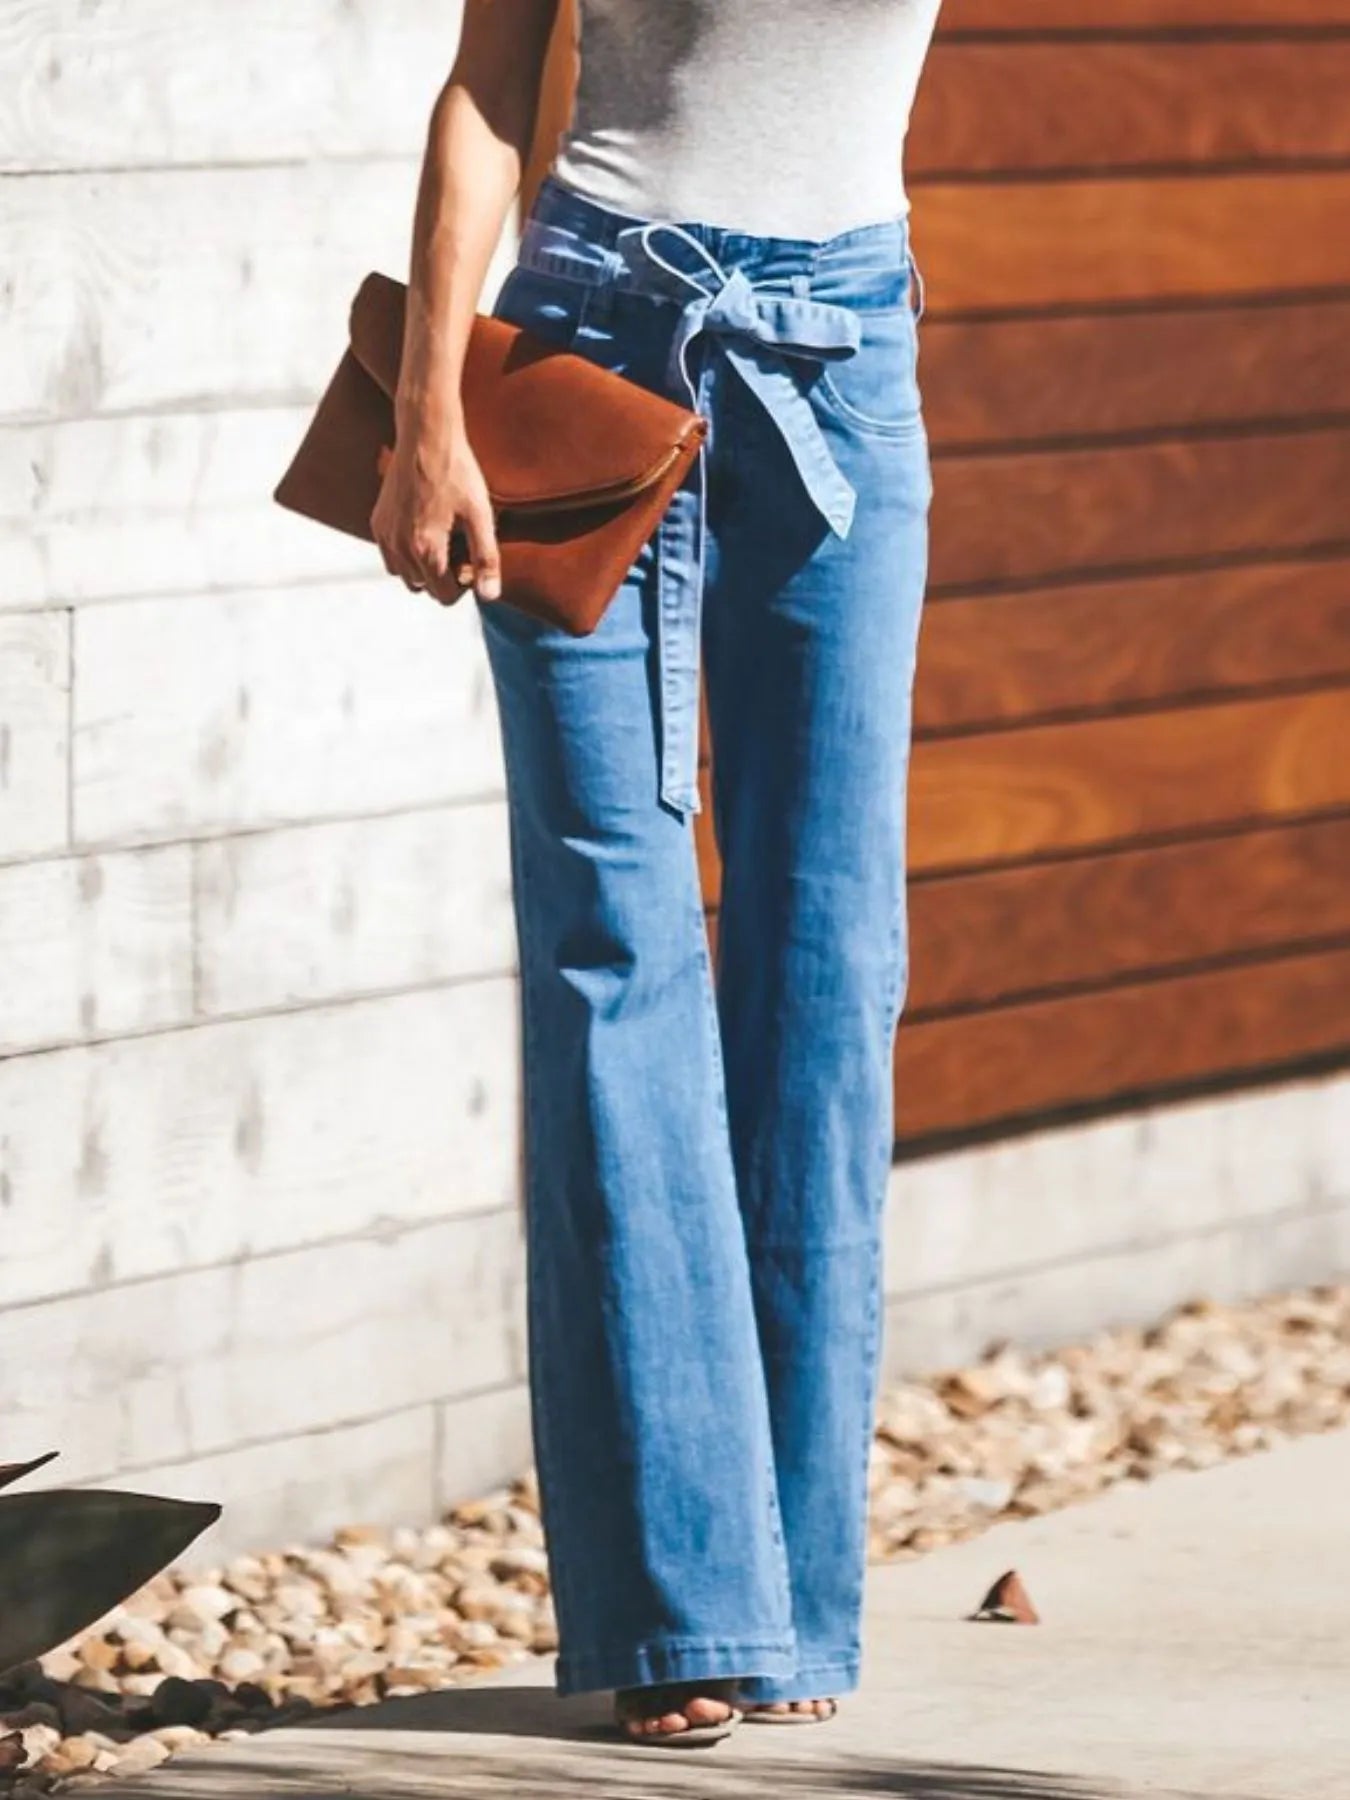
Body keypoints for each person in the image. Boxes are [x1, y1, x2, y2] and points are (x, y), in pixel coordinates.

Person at [372, 0, 942, 1750]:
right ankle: (680, 1605)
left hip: (846, 350)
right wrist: (426, 411)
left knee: (827, 959)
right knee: (615, 945)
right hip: (588, 348)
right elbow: (489, 77)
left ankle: (791, 1602)